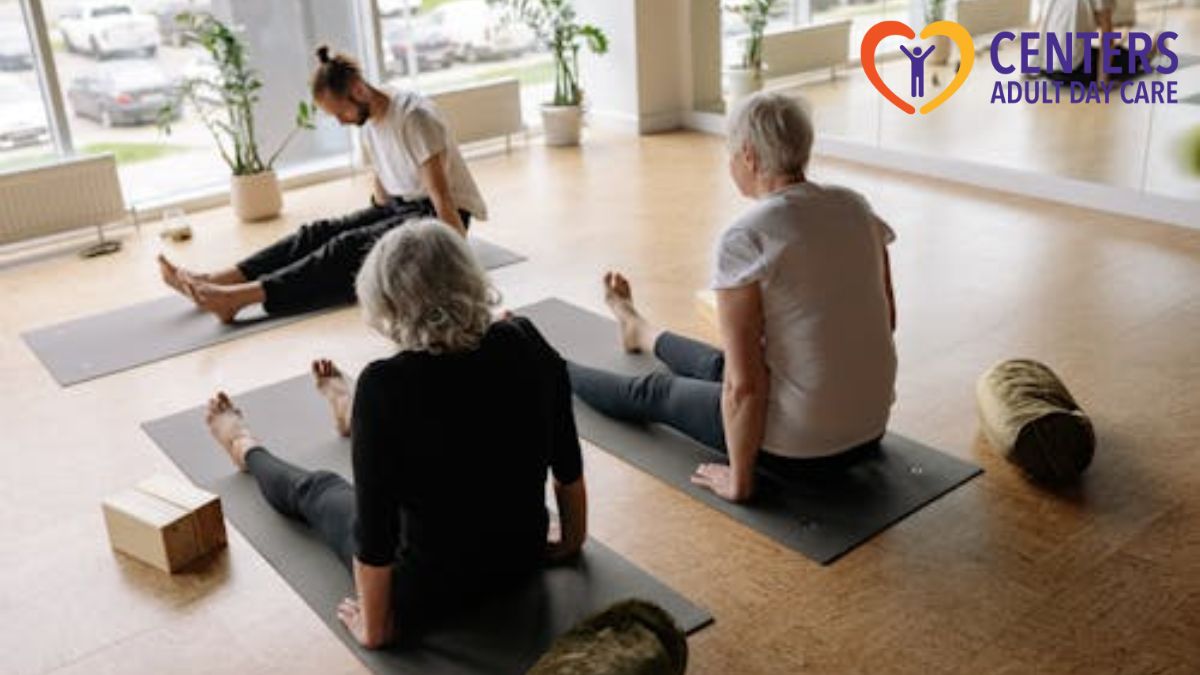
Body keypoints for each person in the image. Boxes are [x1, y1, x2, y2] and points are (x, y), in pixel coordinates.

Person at [203, 220, 588, 648]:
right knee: (427, 435)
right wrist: (571, 540)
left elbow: (375, 535)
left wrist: (376, 626)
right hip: (521, 557)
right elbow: (568, 463)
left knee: (317, 489)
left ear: (388, 304)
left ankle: (243, 445)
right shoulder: (524, 338)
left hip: (426, 594)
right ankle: (349, 411)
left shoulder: (386, 385)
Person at [565, 92, 897, 503]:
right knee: (717, 364)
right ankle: (639, 329)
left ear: (750, 157)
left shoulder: (746, 237)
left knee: (657, 391)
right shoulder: (856, 207)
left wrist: (740, 481)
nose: (729, 165)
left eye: (730, 155)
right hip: (871, 427)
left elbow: (744, 388)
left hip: (802, 448)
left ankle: (552, 367)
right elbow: (888, 319)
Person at [159, 45, 487, 323]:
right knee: (319, 233)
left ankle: (238, 299)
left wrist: (461, 269)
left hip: (441, 218)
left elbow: (442, 197)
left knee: (345, 247)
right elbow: (385, 184)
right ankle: (220, 280)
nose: (340, 121)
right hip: (405, 206)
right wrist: (373, 219)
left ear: (357, 90)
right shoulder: (370, 119)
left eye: (338, 112)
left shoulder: (415, 118)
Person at [1037, 0, 1157, 83]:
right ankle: (1145, 56)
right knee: (1119, 55)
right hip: (1074, 71)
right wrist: (1103, 81)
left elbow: (1042, 26)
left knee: (1091, 51)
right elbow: (1107, 36)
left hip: (1046, 69)